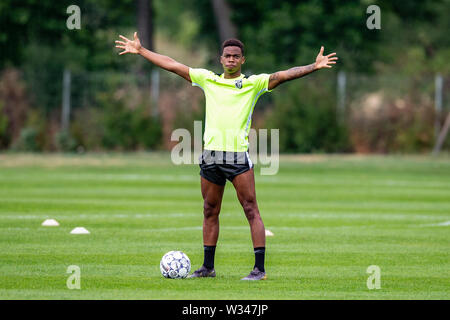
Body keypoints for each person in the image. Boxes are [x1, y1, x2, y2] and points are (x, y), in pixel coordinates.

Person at [115, 32, 338, 280]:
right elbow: (173, 64)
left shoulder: (253, 84)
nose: (231, 59)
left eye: (236, 56)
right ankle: (207, 268)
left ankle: (259, 269)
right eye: (227, 56)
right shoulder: (207, 79)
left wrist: (313, 66)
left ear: (243, 60)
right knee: (210, 210)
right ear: (221, 59)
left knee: (251, 209)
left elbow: (282, 75)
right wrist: (142, 50)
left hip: (237, 158)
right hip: (210, 157)